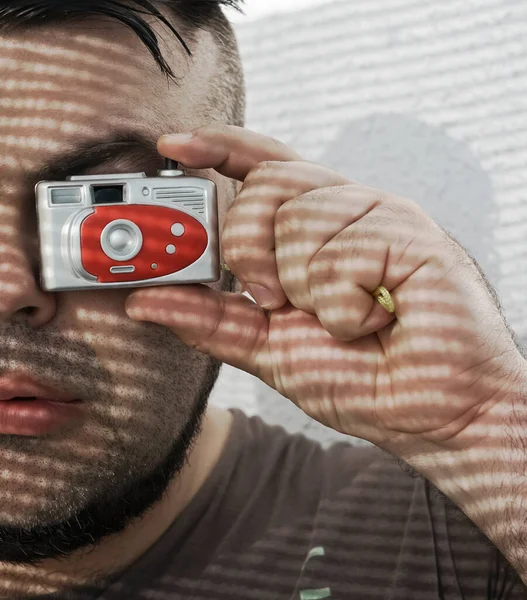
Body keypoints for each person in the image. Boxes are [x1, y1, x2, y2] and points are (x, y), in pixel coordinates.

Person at [0, 1, 525, 598]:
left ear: (235, 219)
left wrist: (488, 422)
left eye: (113, 211)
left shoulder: (466, 535)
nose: (11, 289)